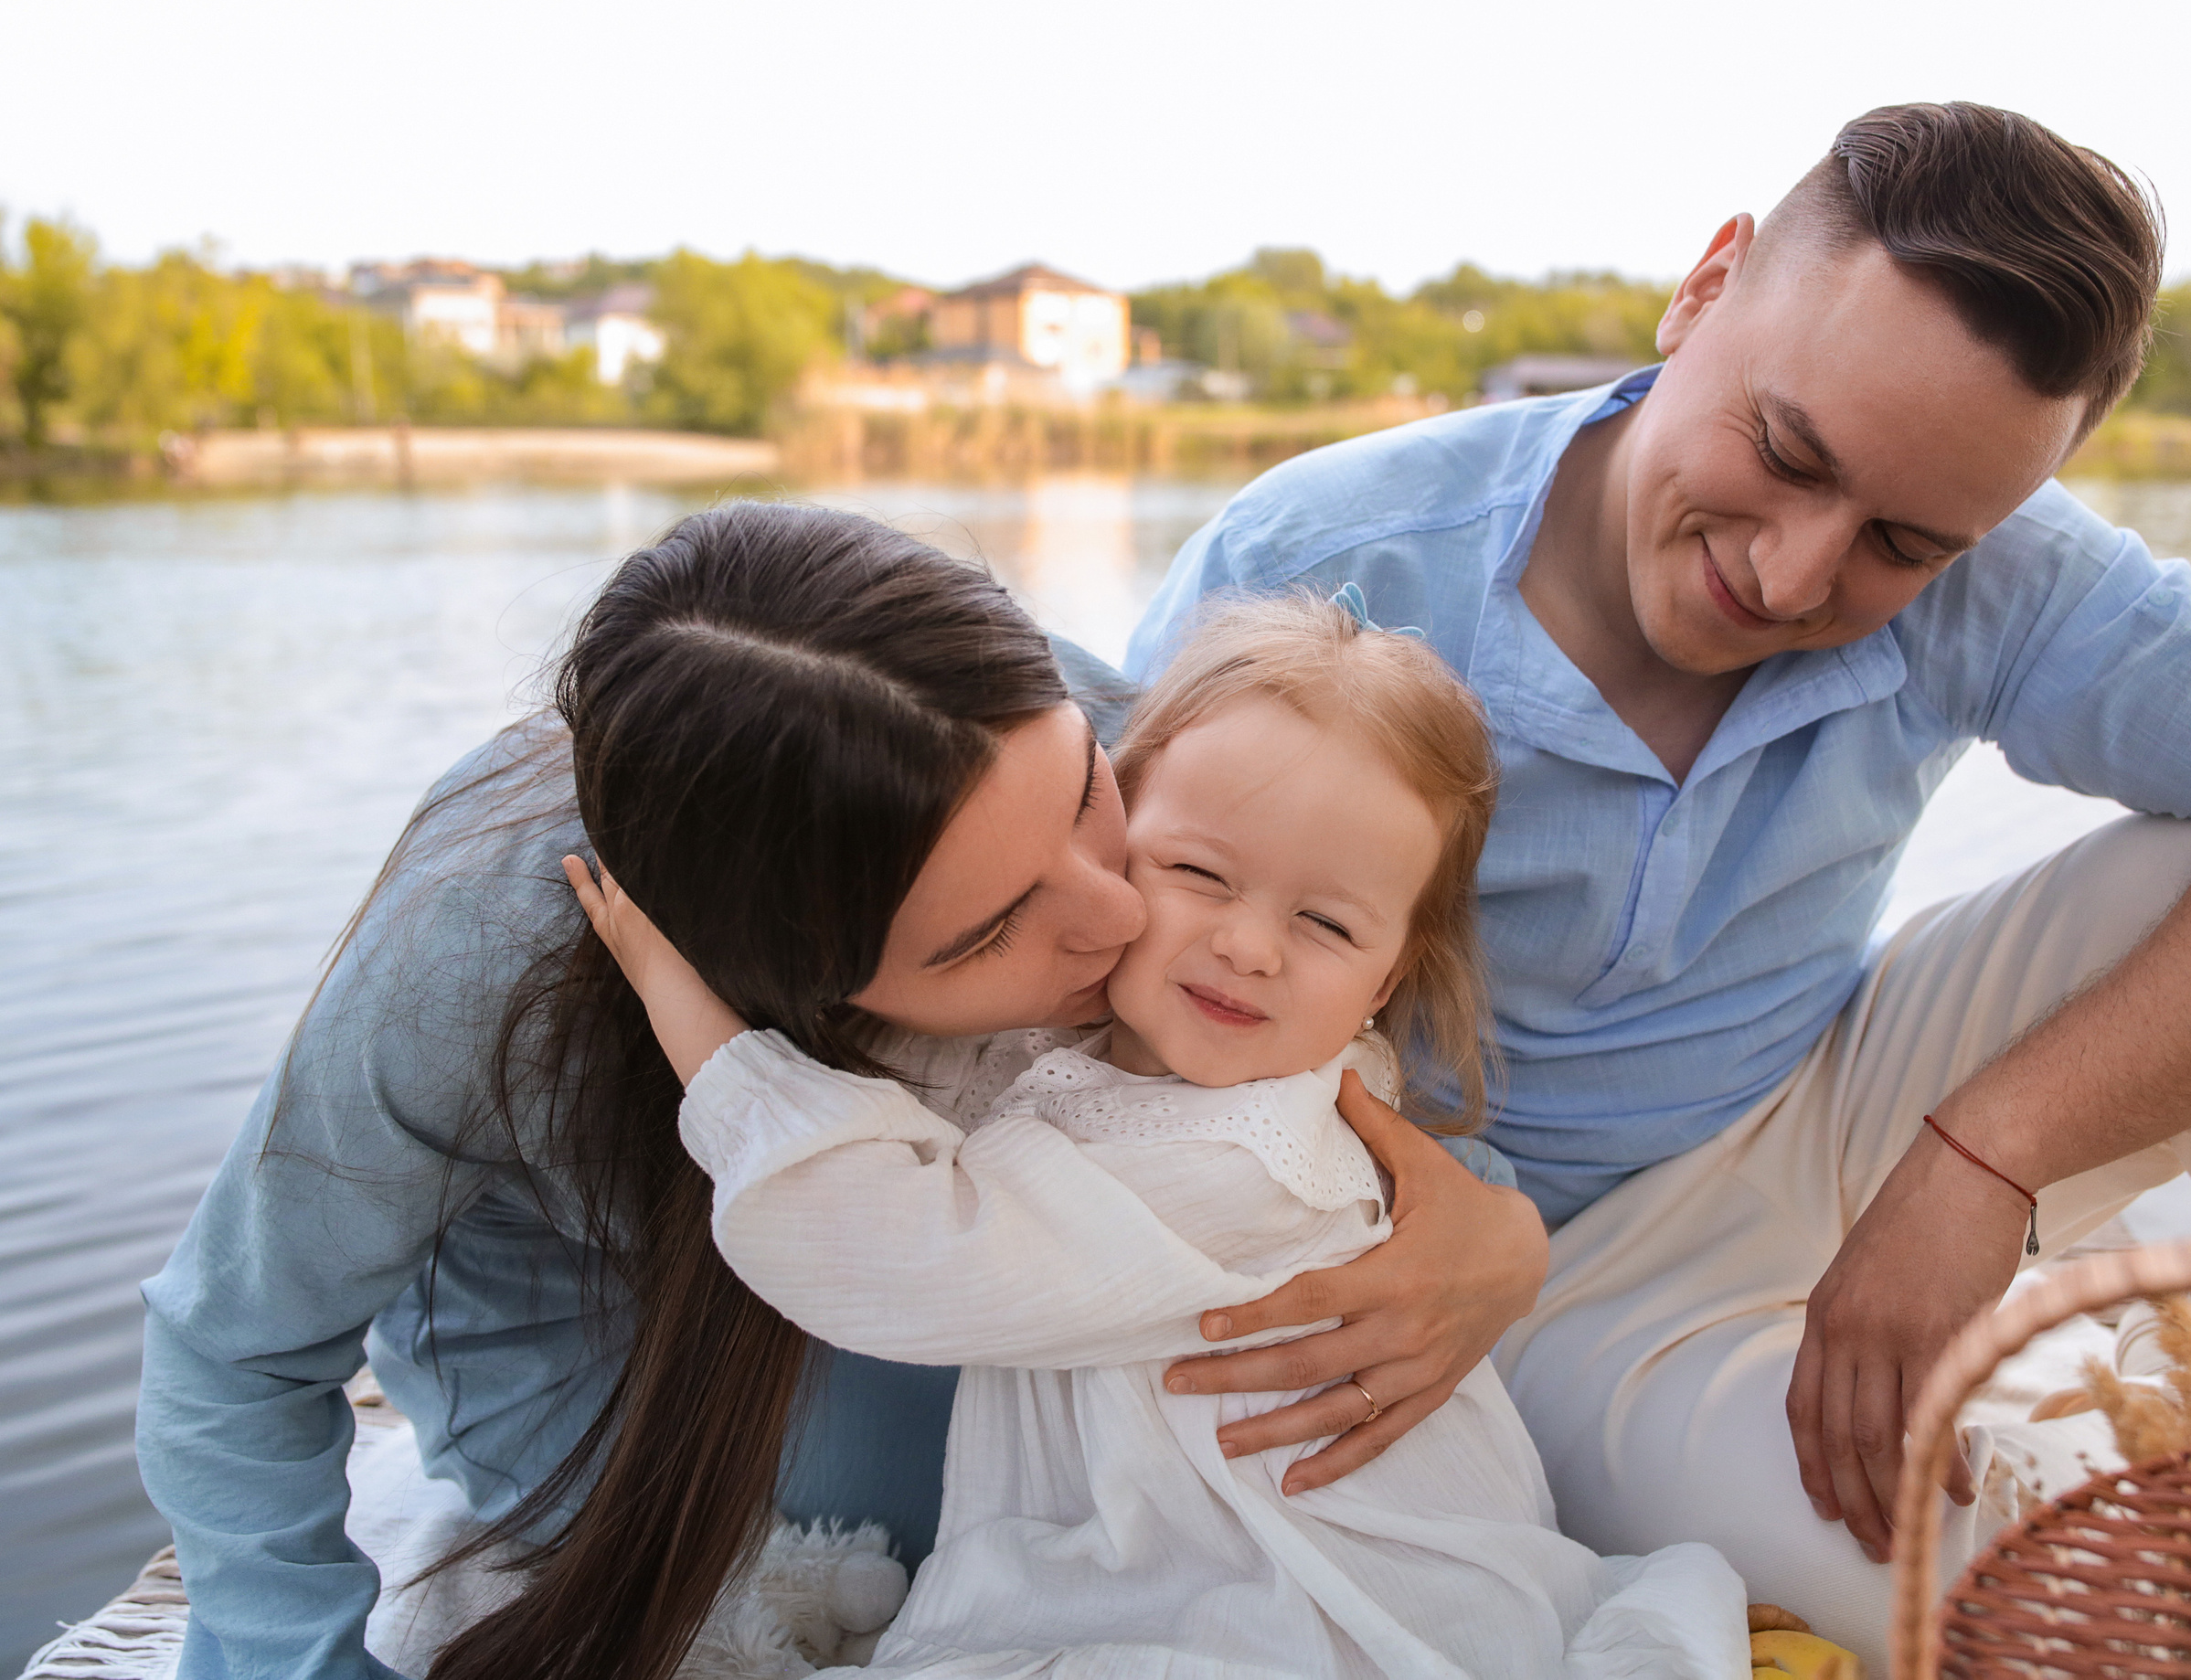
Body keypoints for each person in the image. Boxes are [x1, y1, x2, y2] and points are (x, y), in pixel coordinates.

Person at [1123, 101, 2191, 1663]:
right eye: (1783, 452)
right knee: (2038, 1597)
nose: (1791, 576)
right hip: (1541, 1276)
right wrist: (1459, 1218)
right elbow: (1107, 979)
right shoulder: (1317, 560)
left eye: (1900, 541)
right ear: (1704, 288)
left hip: (1845, 1104)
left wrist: (1989, 1152)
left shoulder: (2000, 563)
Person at [134, 507, 1548, 1680]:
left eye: (1086, 799)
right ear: (793, 980)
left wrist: (1495, 1239)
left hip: (958, 1257)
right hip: (636, 1358)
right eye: (990, 931)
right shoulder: (475, 955)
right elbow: (232, 1355)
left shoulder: (1068, 733)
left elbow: (1320, 979)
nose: (1121, 915)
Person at [570, 590, 1750, 1677]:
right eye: (1197, 871)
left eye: (1326, 923)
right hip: (1206, 1564)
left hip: (1313, 1596)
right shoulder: (1105, 1059)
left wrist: (689, 1006)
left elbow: (901, 1242)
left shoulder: (1242, 1157)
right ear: (1115, 832)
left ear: (1387, 982)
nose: (1249, 944)